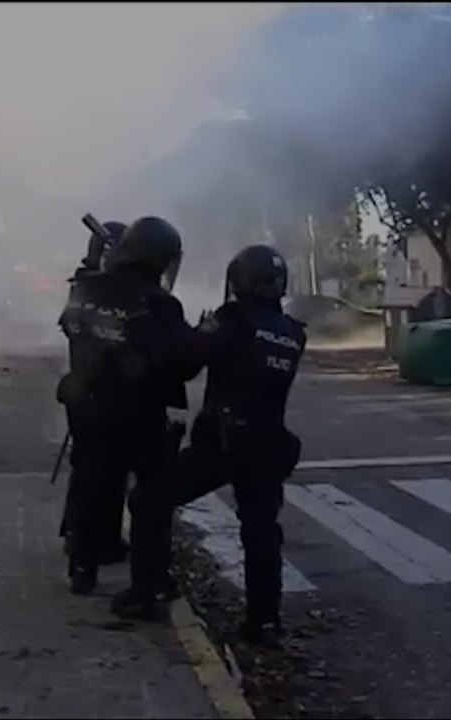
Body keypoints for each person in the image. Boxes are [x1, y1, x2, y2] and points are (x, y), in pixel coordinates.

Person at [57, 216, 197, 621]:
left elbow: (71, 327)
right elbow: (178, 363)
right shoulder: (159, 302)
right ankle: (150, 581)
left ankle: (82, 567)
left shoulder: (85, 288)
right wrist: (200, 336)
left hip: (87, 405)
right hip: (139, 411)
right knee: (152, 496)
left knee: (89, 482)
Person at [170, 244, 306, 648]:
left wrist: (194, 329)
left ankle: (151, 589)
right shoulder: (293, 332)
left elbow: (189, 358)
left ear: (240, 281)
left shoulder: (232, 322)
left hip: (223, 444)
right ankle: (264, 622)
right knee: (262, 533)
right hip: (267, 445)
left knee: (148, 500)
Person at [59, 220, 130, 569]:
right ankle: (85, 545)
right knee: (98, 472)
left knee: (97, 471)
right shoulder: (95, 288)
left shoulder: (87, 286)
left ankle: (93, 540)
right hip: (101, 394)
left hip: (86, 394)